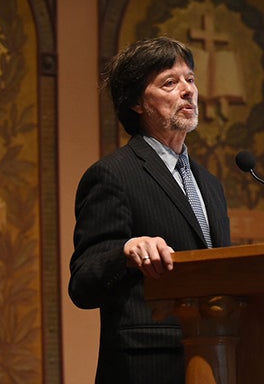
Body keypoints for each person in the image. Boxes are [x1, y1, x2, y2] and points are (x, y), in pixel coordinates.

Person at [68, 36, 231, 383]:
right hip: (147, 367)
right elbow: (83, 284)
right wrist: (125, 252)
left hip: (214, 358)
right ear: (138, 103)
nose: (187, 90)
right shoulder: (112, 175)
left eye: (190, 79)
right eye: (170, 83)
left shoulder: (211, 185)